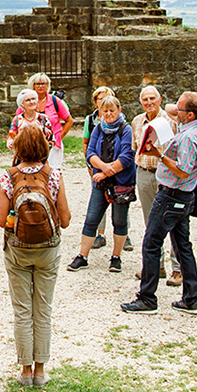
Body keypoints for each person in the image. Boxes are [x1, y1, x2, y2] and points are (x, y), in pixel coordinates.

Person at [121, 91, 197, 316]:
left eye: (181, 111)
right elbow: (172, 108)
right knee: (183, 246)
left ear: (190, 114)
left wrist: (158, 155)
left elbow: (183, 170)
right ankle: (192, 298)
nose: (175, 112)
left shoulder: (190, 138)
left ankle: (147, 298)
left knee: (151, 243)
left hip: (172, 195)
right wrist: (186, 108)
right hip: (184, 196)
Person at [0, 126, 71, 387]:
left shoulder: (9, 177)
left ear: (17, 148)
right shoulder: (53, 175)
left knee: (22, 309)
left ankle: (25, 370)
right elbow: (65, 220)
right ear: (44, 146)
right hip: (48, 248)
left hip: (18, 247)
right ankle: (41, 369)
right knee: (43, 308)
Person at [69, 94, 135, 274]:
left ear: (119, 110)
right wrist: (103, 169)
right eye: (104, 111)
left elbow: (127, 156)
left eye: (111, 110)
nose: (108, 114)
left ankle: (116, 257)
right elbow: (90, 152)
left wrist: (105, 172)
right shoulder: (98, 129)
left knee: (119, 221)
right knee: (91, 218)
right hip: (101, 182)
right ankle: (83, 256)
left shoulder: (126, 129)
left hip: (121, 182)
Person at [131, 86, 175, 281]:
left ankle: (177, 267)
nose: (149, 103)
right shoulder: (137, 122)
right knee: (149, 222)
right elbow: (135, 147)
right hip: (144, 172)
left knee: (172, 221)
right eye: (145, 99)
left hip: (164, 174)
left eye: (152, 99)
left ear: (160, 99)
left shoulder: (171, 122)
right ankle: (156, 266)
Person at [16, 73, 73, 168]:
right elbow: (17, 120)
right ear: (33, 85)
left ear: (47, 85)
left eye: (43, 83)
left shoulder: (55, 100)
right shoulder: (26, 101)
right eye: (38, 84)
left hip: (53, 144)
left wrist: (59, 136)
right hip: (31, 144)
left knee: (54, 171)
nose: (41, 86)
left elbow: (69, 120)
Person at [7, 89, 55, 155]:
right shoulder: (17, 119)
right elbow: (11, 137)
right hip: (22, 156)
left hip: (41, 156)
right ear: (22, 104)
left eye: (33, 99)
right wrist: (11, 143)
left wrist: (44, 152)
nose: (31, 102)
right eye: (28, 100)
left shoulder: (43, 118)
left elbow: (51, 139)